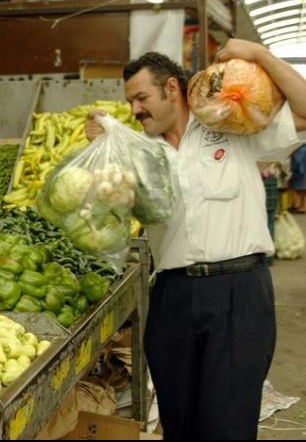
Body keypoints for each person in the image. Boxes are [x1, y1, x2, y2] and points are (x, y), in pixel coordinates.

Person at [85, 39, 306, 440]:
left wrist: (260, 56)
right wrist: (100, 150)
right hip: (173, 297)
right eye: (131, 102)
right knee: (180, 421)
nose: (135, 110)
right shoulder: (138, 153)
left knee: (228, 424)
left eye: (141, 97)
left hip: (239, 292)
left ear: (172, 88)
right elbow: (106, 217)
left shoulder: (232, 126)